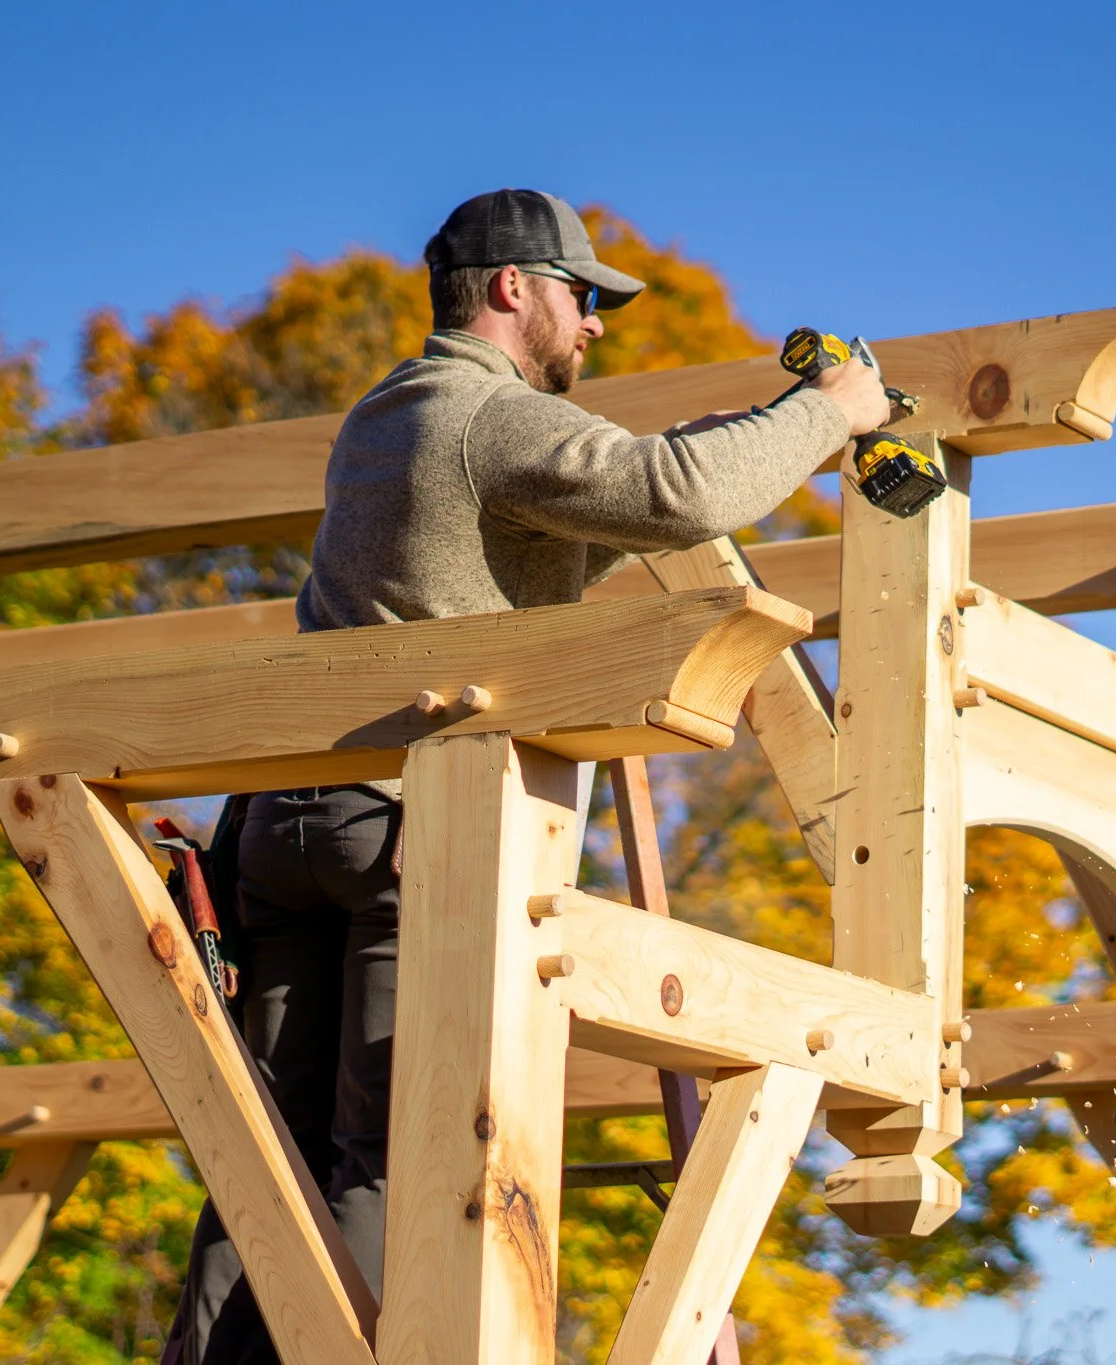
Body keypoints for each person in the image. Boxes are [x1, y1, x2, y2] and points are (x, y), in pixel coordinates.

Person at [163, 188, 889, 1363]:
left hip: (293, 823)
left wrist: (743, 440)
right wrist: (828, 412)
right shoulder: (477, 409)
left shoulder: (393, 413)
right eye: (582, 296)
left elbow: (546, 542)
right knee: (399, 1149)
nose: (595, 324)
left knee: (267, 1163)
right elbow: (675, 497)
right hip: (411, 823)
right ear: (513, 288)